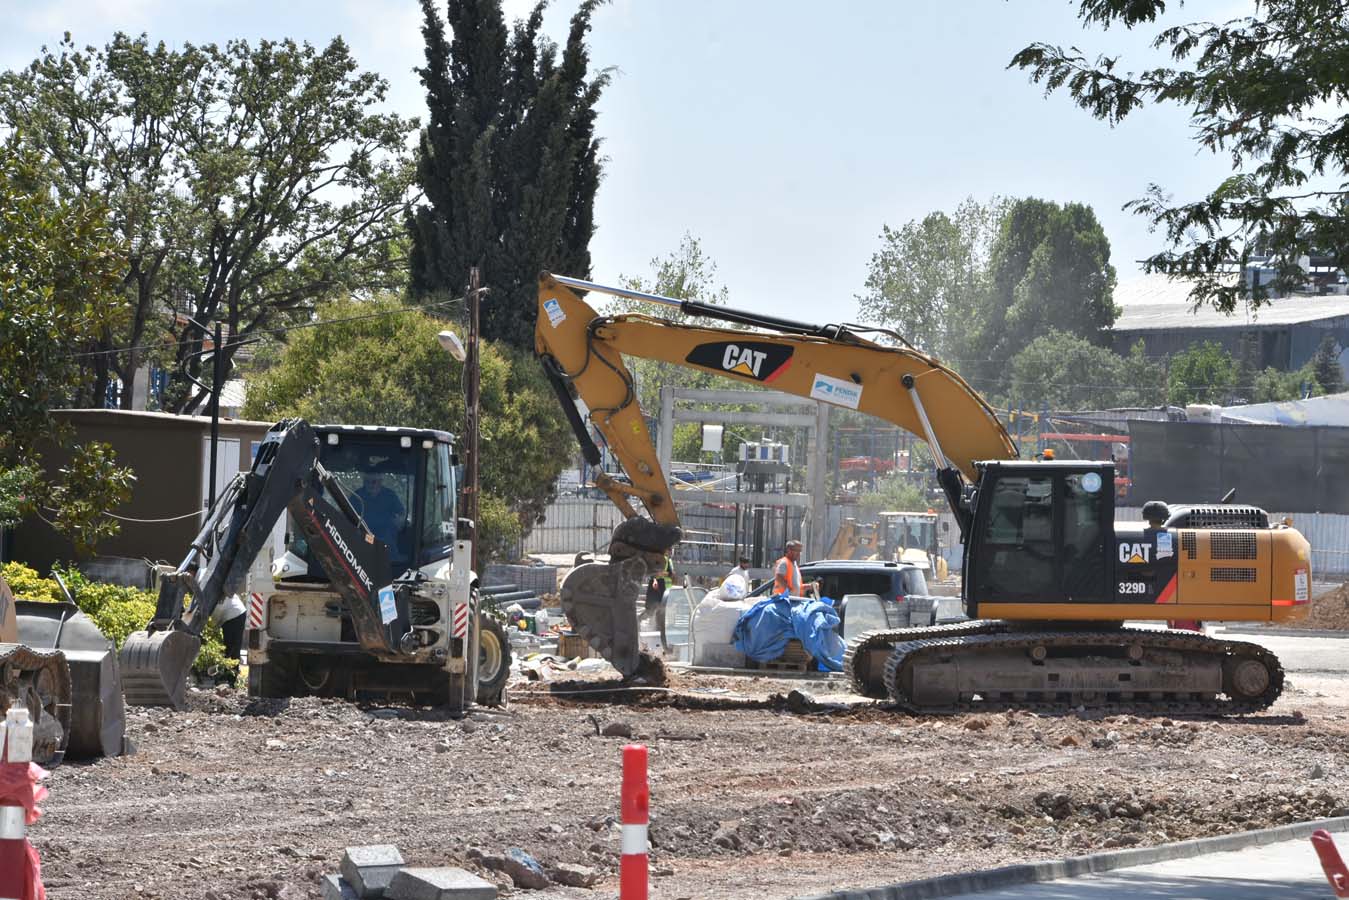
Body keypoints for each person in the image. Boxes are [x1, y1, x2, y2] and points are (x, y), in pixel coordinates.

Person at [355, 470, 405, 551]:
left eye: (374, 482)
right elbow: (346, 516)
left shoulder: (390, 496)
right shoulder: (356, 496)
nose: (371, 485)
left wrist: (396, 523)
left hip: (387, 539)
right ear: (364, 482)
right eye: (367, 482)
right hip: (364, 537)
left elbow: (401, 514)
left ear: (380, 482)